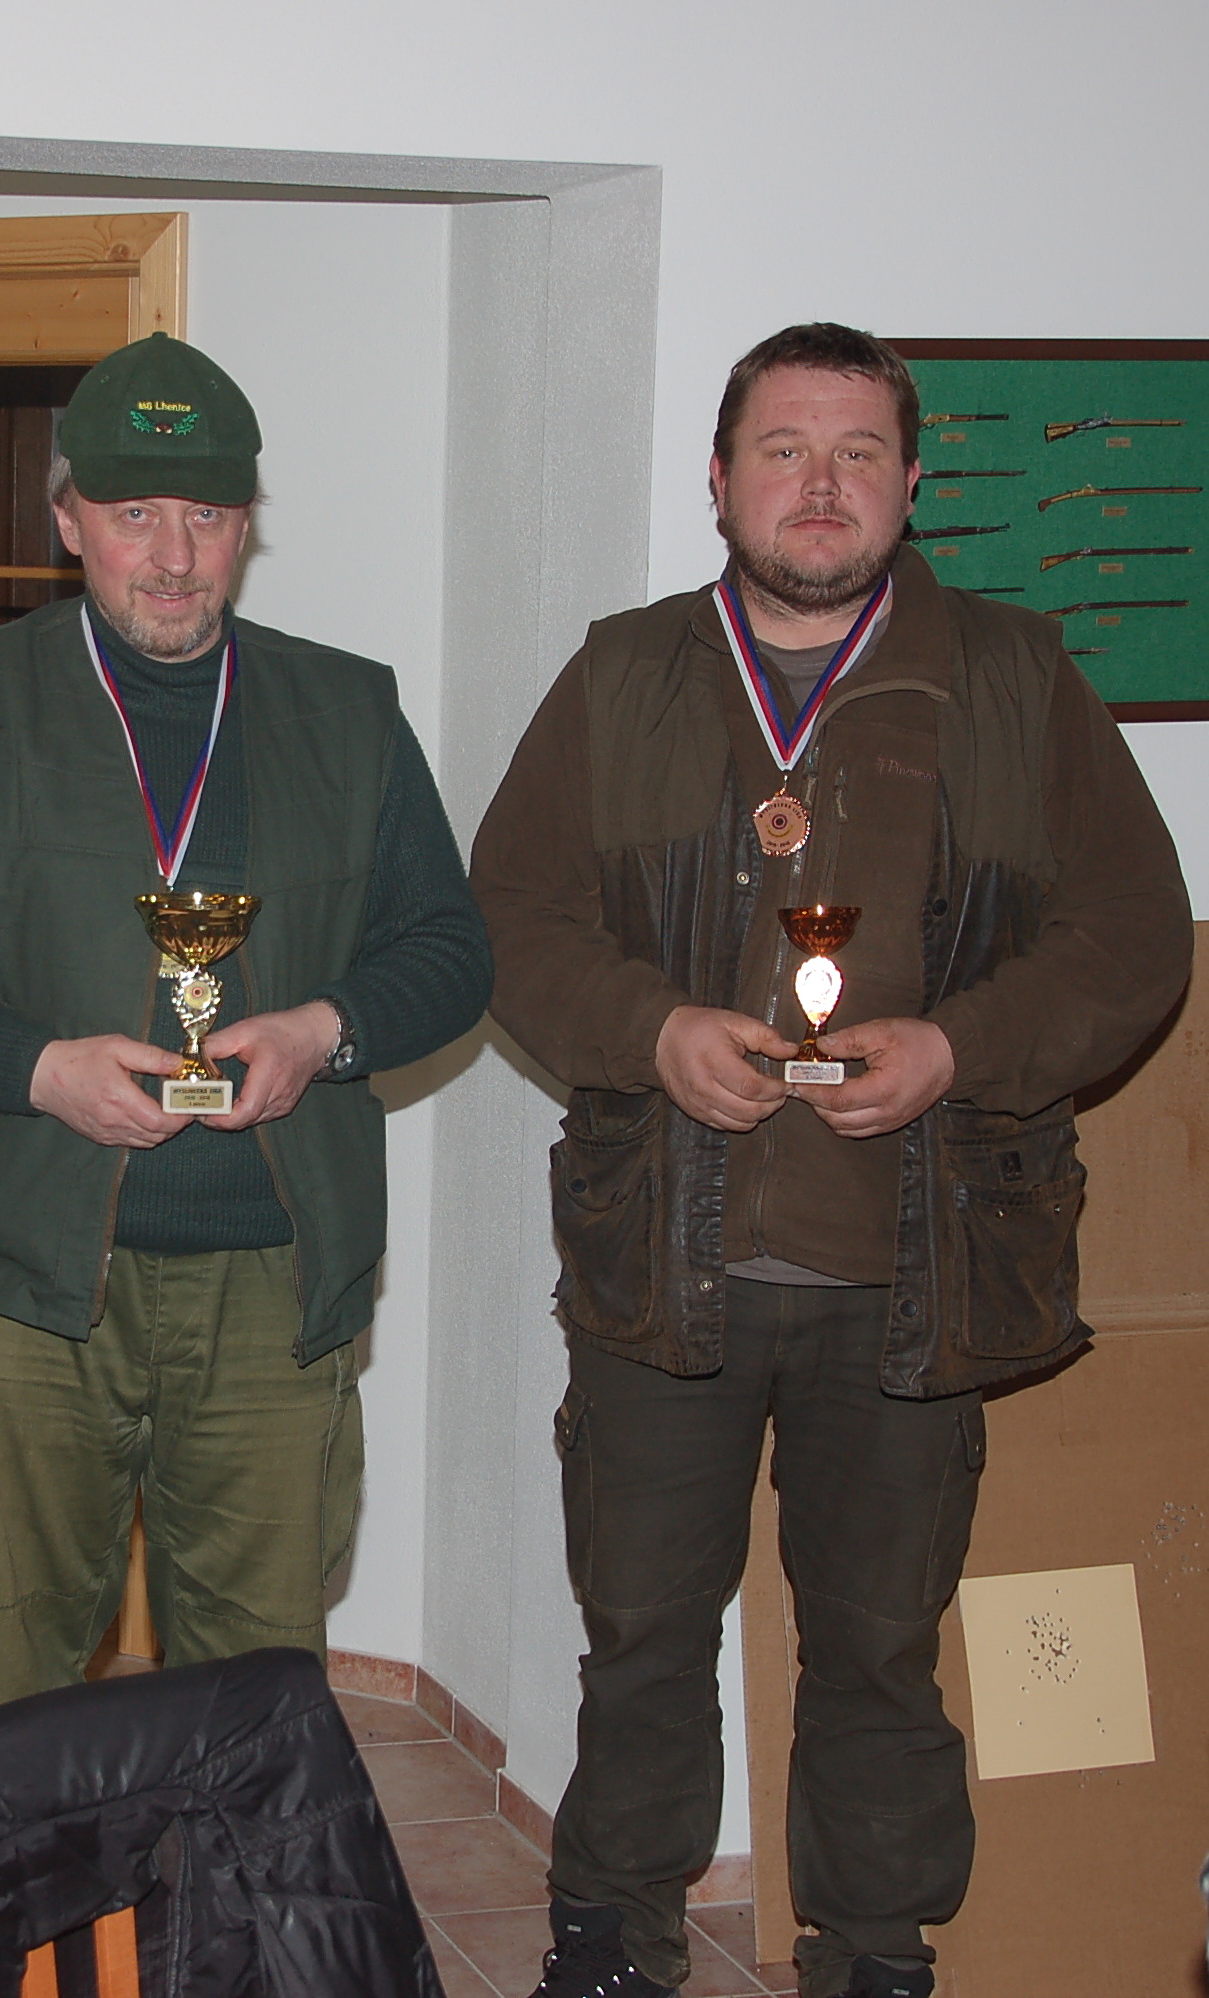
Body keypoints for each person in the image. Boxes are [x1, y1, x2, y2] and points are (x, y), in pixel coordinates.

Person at [472, 323, 1192, 1998]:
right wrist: (651, 1027)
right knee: (639, 1636)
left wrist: (958, 1047)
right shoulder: (623, 673)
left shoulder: (1014, 675)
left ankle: (871, 1951)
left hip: (915, 1268)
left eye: (857, 452)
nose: (819, 484)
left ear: (910, 481)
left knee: (877, 1647)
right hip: (664, 1256)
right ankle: (613, 1937)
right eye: (783, 449)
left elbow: (1133, 935)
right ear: (718, 478)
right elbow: (505, 916)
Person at [0, 332, 491, 1717]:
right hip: (25, 1291)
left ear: (246, 524)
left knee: (254, 1708)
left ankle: (225, 1884)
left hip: (273, 1287)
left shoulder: (348, 707)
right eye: (133, 511)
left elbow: (451, 952)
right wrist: (38, 1069)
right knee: (11, 1699)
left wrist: (324, 1029)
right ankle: (29, 1881)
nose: (171, 555)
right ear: (68, 517)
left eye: (205, 514)